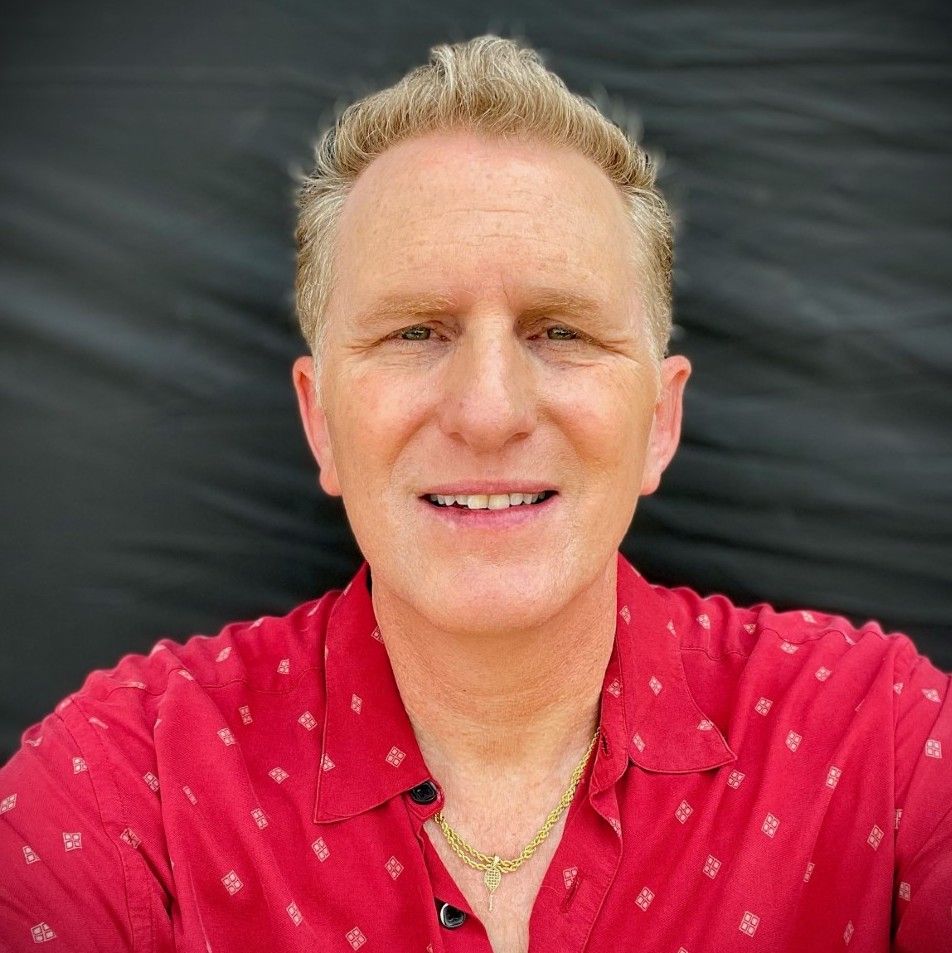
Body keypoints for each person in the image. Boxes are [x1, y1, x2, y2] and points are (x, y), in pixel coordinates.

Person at [0, 34, 948, 953]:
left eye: (561, 331)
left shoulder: (884, 743)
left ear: (660, 421)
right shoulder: (125, 784)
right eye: (415, 332)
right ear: (320, 420)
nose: (488, 412)